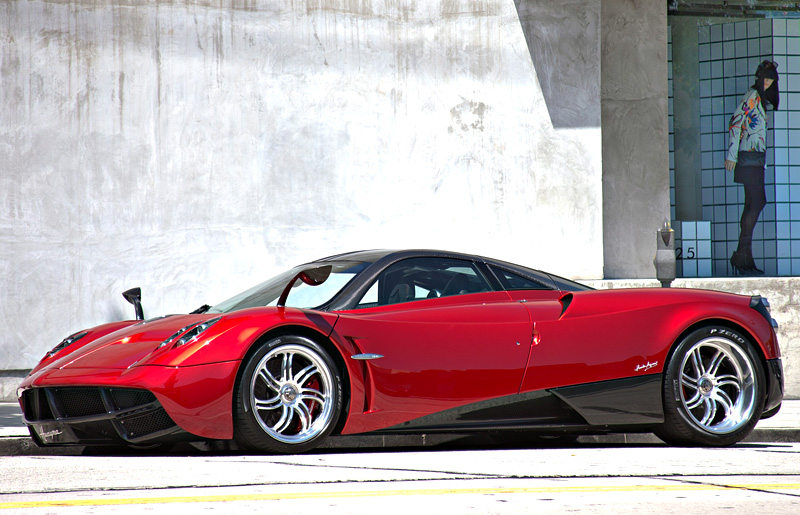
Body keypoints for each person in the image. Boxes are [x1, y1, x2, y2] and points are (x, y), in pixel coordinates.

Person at [725, 60, 780, 275]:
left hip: (756, 158)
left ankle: (744, 257)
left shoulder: (760, 99)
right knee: (758, 201)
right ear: (759, 78)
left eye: (771, 80)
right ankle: (741, 254)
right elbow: (735, 122)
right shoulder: (752, 96)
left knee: (752, 203)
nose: (767, 83)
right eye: (765, 79)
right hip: (747, 158)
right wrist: (731, 155)